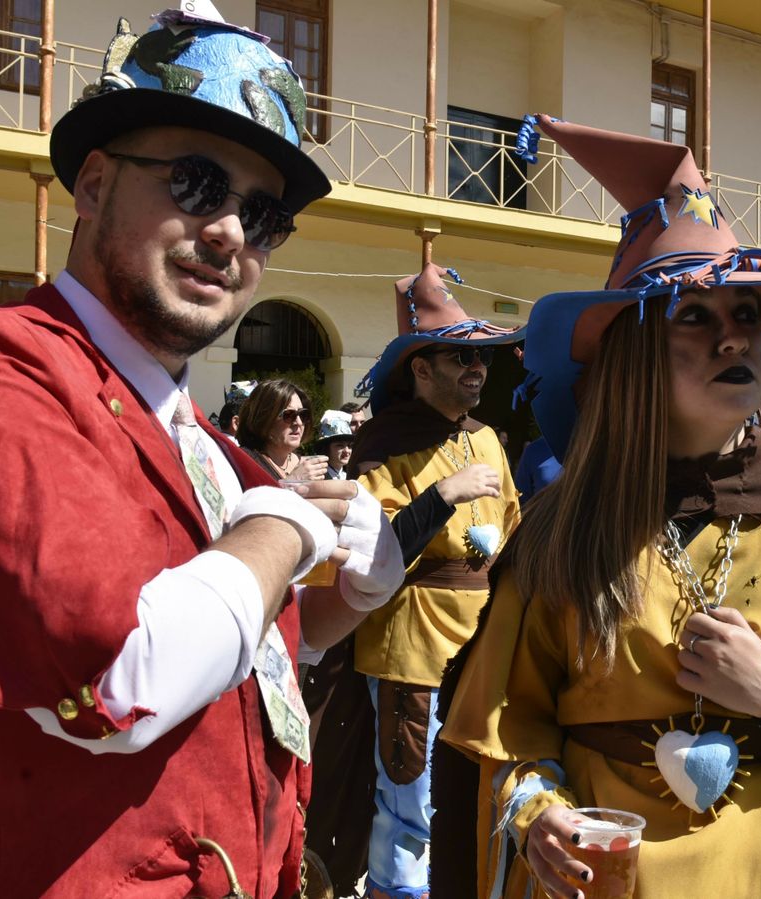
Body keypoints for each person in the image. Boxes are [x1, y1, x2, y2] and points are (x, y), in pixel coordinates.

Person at [0, 6, 404, 896]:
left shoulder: (203, 442)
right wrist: (281, 528)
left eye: (262, 217)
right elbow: (121, 681)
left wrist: (350, 599)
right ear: (96, 184)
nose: (230, 232)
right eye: (196, 183)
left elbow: (240, 651)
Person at [432, 114, 761, 899]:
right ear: (636, 352)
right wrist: (534, 808)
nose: (735, 339)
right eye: (697, 317)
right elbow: (503, 731)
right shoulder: (559, 531)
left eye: (748, 316)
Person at [318, 263, 522, 899]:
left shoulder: (487, 436)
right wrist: (440, 495)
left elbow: (512, 529)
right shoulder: (388, 443)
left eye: (481, 359)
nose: (475, 370)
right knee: (409, 797)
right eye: (458, 356)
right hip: (411, 646)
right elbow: (372, 553)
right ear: (421, 369)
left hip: (482, 643)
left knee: (470, 791)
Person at [238, 378, 326, 480]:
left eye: (303, 415)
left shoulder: (305, 464)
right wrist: (293, 480)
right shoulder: (245, 461)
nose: (299, 422)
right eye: (289, 415)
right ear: (264, 418)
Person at [315, 409, 356, 479]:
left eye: (349, 446)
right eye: (340, 446)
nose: (347, 451)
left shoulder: (349, 477)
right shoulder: (318, 477)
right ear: (326, 448)